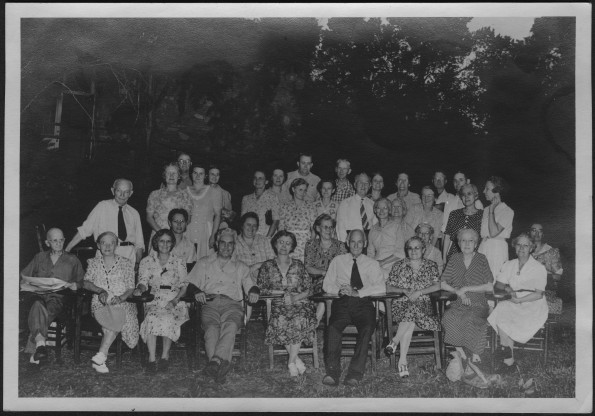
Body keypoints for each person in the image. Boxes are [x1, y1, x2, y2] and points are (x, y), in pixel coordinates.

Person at [187, 228, 260, 384]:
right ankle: (219, 368)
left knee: (231, 325)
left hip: (232, 305)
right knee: (211, 328)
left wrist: (254, 291)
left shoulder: (241, 266)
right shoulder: (204, 262)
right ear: (217, 244)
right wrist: (197, 291)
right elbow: (191, 285)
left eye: (230, 244)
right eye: (223, 243)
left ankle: (214, 362)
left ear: (234, 246)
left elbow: (251, 286)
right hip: (209, 304)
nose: (226, 247)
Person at [322, 229, 386, 387]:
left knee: (367, 328)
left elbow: (381, 287)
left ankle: (355, 373)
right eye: (352, 242)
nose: (356, 245)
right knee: (333, 328)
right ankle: (332, 372)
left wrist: (358, 293)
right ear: (347, 243)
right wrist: (338, 290)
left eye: (359, 242)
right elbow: (326, 284)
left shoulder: (372, 263)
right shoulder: (338, 261)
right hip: (342, 302)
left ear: (364, 244)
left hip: (363, 303)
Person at [20, 228, 84, 367]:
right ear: (47, 242)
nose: (59, 243)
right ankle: (40, 346)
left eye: (61, 240)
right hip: (38, 294)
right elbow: (24, 275)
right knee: (37, 304)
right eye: (54, 240)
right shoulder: (39, 257)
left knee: (45, 308)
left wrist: (75, 285)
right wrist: (25, 282)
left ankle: (37, 346)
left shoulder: (72, 260)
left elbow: (82, 281)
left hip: (60, 298)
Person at [257, 230, 317, 377]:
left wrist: (295, 298)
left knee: (299, 318)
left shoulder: (298, 265)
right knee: (280, 320)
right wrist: (282, 295)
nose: (284, 246)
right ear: (275, 244)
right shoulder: (267, 266)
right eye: (281, 242)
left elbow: (309, 289)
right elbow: (262, 288)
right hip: (277, 304)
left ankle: (291, 362)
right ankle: (295, 360)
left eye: (288, 243)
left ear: (292, 247)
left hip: (299, 303)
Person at [488, 233, 548, 373]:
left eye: (526, 245)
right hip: (515, 300)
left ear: (531, 248)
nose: (522, 248)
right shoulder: (509, 265)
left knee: (507, 312)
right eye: (519, 244)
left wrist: (519, 300)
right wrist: (509, 289)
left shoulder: (538, 267)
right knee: (502, 308)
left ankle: (506, 356)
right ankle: (508, 358)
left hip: (533, 303)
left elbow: (539, 294)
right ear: (514, 246)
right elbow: (499, 286)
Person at [82, 232, 139, 373]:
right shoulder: (93, 263)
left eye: (111, 243)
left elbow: (131, 287)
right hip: (100, 303)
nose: (107, 246)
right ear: (98, 245)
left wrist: (122, 297)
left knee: (115, 317)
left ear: (116, 245)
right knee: (113, 318)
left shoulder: (126, 263)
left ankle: (101, 356)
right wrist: (100, 290)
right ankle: (101, 357)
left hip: (123, 302)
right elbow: (86, 283)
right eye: (103, 243)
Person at [384, 236, 441, 377]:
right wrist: (403, 291)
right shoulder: (398, 265)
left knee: (412, 311)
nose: (414, 251)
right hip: (401, 305)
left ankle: (395, 342)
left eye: (417, 247)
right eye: (410, 248)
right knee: (410, 314)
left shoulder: (431, 265)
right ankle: (402, 360)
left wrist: (420, 292)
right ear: (406, 250)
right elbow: (388, 287)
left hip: (424, 307)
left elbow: (438, 285)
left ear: (423, 249)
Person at [134, 229, 189, 373]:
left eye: (168, 241)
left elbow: (184, 286)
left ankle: (165, 356)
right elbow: (143, 281)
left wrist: (175, 301)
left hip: (175, 299)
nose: (165, 244)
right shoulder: (147, 261)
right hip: (154, 298)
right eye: (162, 241)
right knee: (152, 317)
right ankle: (152, 359)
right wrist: (139, 289)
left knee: (167, 318)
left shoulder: (179, 261)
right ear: (156, 243)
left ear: (172, 243)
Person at [441, 229, 494, 364]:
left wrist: (467, 288)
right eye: (463, 240)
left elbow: (489, 286)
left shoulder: (481, 259)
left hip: (478, 302)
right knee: (449, 317)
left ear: (476, 244)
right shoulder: (454, 259)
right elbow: (442, 283)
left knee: (471, 318)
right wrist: (458, 292)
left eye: (471, 240)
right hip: (458, 302)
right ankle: (461, 352)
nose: (467, 243)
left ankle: (475, 352)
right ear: (459, 243)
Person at [65, 178, 144, 267]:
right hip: (105, 256)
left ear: (131, 193)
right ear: (113, 191)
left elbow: (139, 243)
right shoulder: (102, 206)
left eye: (126, 192)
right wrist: (66, 250)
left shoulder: (134, 213)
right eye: (119, 190)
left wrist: (137, 263)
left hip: (129, 257)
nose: (122, 195)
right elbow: (84, 230)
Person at [304, 214, 348, 323]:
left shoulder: (340, 245)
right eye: (325, 227)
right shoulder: (311, 244)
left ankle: (314, 323)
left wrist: (330, 276)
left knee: (327, 291)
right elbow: (308, 267)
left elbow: (344, 267)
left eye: (331, 227)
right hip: (315, 282)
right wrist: (324, 272)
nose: (329, 230)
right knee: (324, 289)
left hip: (336, 282)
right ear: (318, 228)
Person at [478, 176, 514, 279]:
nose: (484, 191)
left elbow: (493, 233)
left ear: (496, 191)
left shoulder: (507, 211)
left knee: (494, 280)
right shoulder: (485, 210)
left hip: (497, 250)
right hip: (484, 247)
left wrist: (491, 210)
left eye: (487, 189)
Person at [146, 163, 193, 240]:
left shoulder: (186, 196)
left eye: (174, 173)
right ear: (165, 176)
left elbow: (188, 219)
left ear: (179, 176)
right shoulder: (154, 194)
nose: (171, 175)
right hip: (158, 236)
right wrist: (162, 234)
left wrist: (175, 233)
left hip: (178, 237)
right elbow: (149, 217)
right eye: (168, 173)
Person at [186, 164, 222, 260]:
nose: (198, 176)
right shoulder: (184, 191)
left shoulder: (214, 191)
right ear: (191, 174)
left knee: (205, 264)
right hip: (188, 232)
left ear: (205, 175)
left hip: (206, 233)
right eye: (195, 173)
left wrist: (213, 236)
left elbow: (218, 215)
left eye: (201, 173)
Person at [442, 184, 483, 265]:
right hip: (454, 257)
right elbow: (447, 237)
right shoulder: (454, 214)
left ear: (475, 195)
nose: (466, 197)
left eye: (469, 194)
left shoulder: (482, 215)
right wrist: (444, 259)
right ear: (461, 198)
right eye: (463, 195)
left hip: (474, 259)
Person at [278, 178, 318, 262]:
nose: (303, 193)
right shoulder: (285, 206)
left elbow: (314, 228)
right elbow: (281, 228)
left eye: (305, 190)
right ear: (293, 189)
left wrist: (311, 244)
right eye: (300, 189)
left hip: (305, 243)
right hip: (288, 243)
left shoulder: (310, 206)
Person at [367, 198, 412, 271]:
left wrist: (383, 262)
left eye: (385, 208)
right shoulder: (373, 229)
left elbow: (401, 252)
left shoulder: (396, 226)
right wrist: (371, 265)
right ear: (375, 210)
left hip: (394, 265)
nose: (381, 211)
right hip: (377, 266)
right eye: (378, 208)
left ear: (389, 210)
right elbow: (370, 253)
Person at [530, 223, 564, 314]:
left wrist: (542, 274)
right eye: (534, 230)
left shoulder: (551, 252)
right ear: (529, 233)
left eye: (539, 231)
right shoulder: (524, 250)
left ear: (543, 234)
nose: (536, 234)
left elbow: (558, 277)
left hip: (546, 290)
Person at [234, 212, 276, 281]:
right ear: (242, 225)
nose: (251, 228)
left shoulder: (265, 241)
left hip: (264, 280)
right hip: (242, 281)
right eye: (248, 225)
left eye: (254, 226)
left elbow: (273, 262)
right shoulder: (235, 242)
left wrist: (258, 266)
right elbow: (231, 266)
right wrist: (250, 269)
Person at [336, 173, 377, 243]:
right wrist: (344, 245)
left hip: (369, 242)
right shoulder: (345, 203)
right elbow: (340, 227)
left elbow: (376, 227)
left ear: (370, 186)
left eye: (366, 183)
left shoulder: (373, 205)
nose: (363, 185)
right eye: (360, 182)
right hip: (351, 242)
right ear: (355, 185)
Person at [441, 170, 484, 236]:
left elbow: (480, 230)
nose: (457, 183)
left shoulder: (476, 203)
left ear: (468, 181)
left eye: (461, 180)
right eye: (455, 181)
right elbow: (445, 229)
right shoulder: (449, 202)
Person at [241, 170, 280, 237]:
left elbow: (275, 221)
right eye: (255, 178)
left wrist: (267, 239)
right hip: (250, 237)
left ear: (266, 181)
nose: (257, 180)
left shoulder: (273, 197)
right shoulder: (246, 199)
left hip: (266, 236)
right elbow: (243, 221)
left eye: (260, 178)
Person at [208, 165, 234, 229]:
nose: (215, 177)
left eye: (217, 174)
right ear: (207, 175)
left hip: (219, 227)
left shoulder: (225, 194)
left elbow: (230, 216)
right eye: (212, 174)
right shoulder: (201, 191)